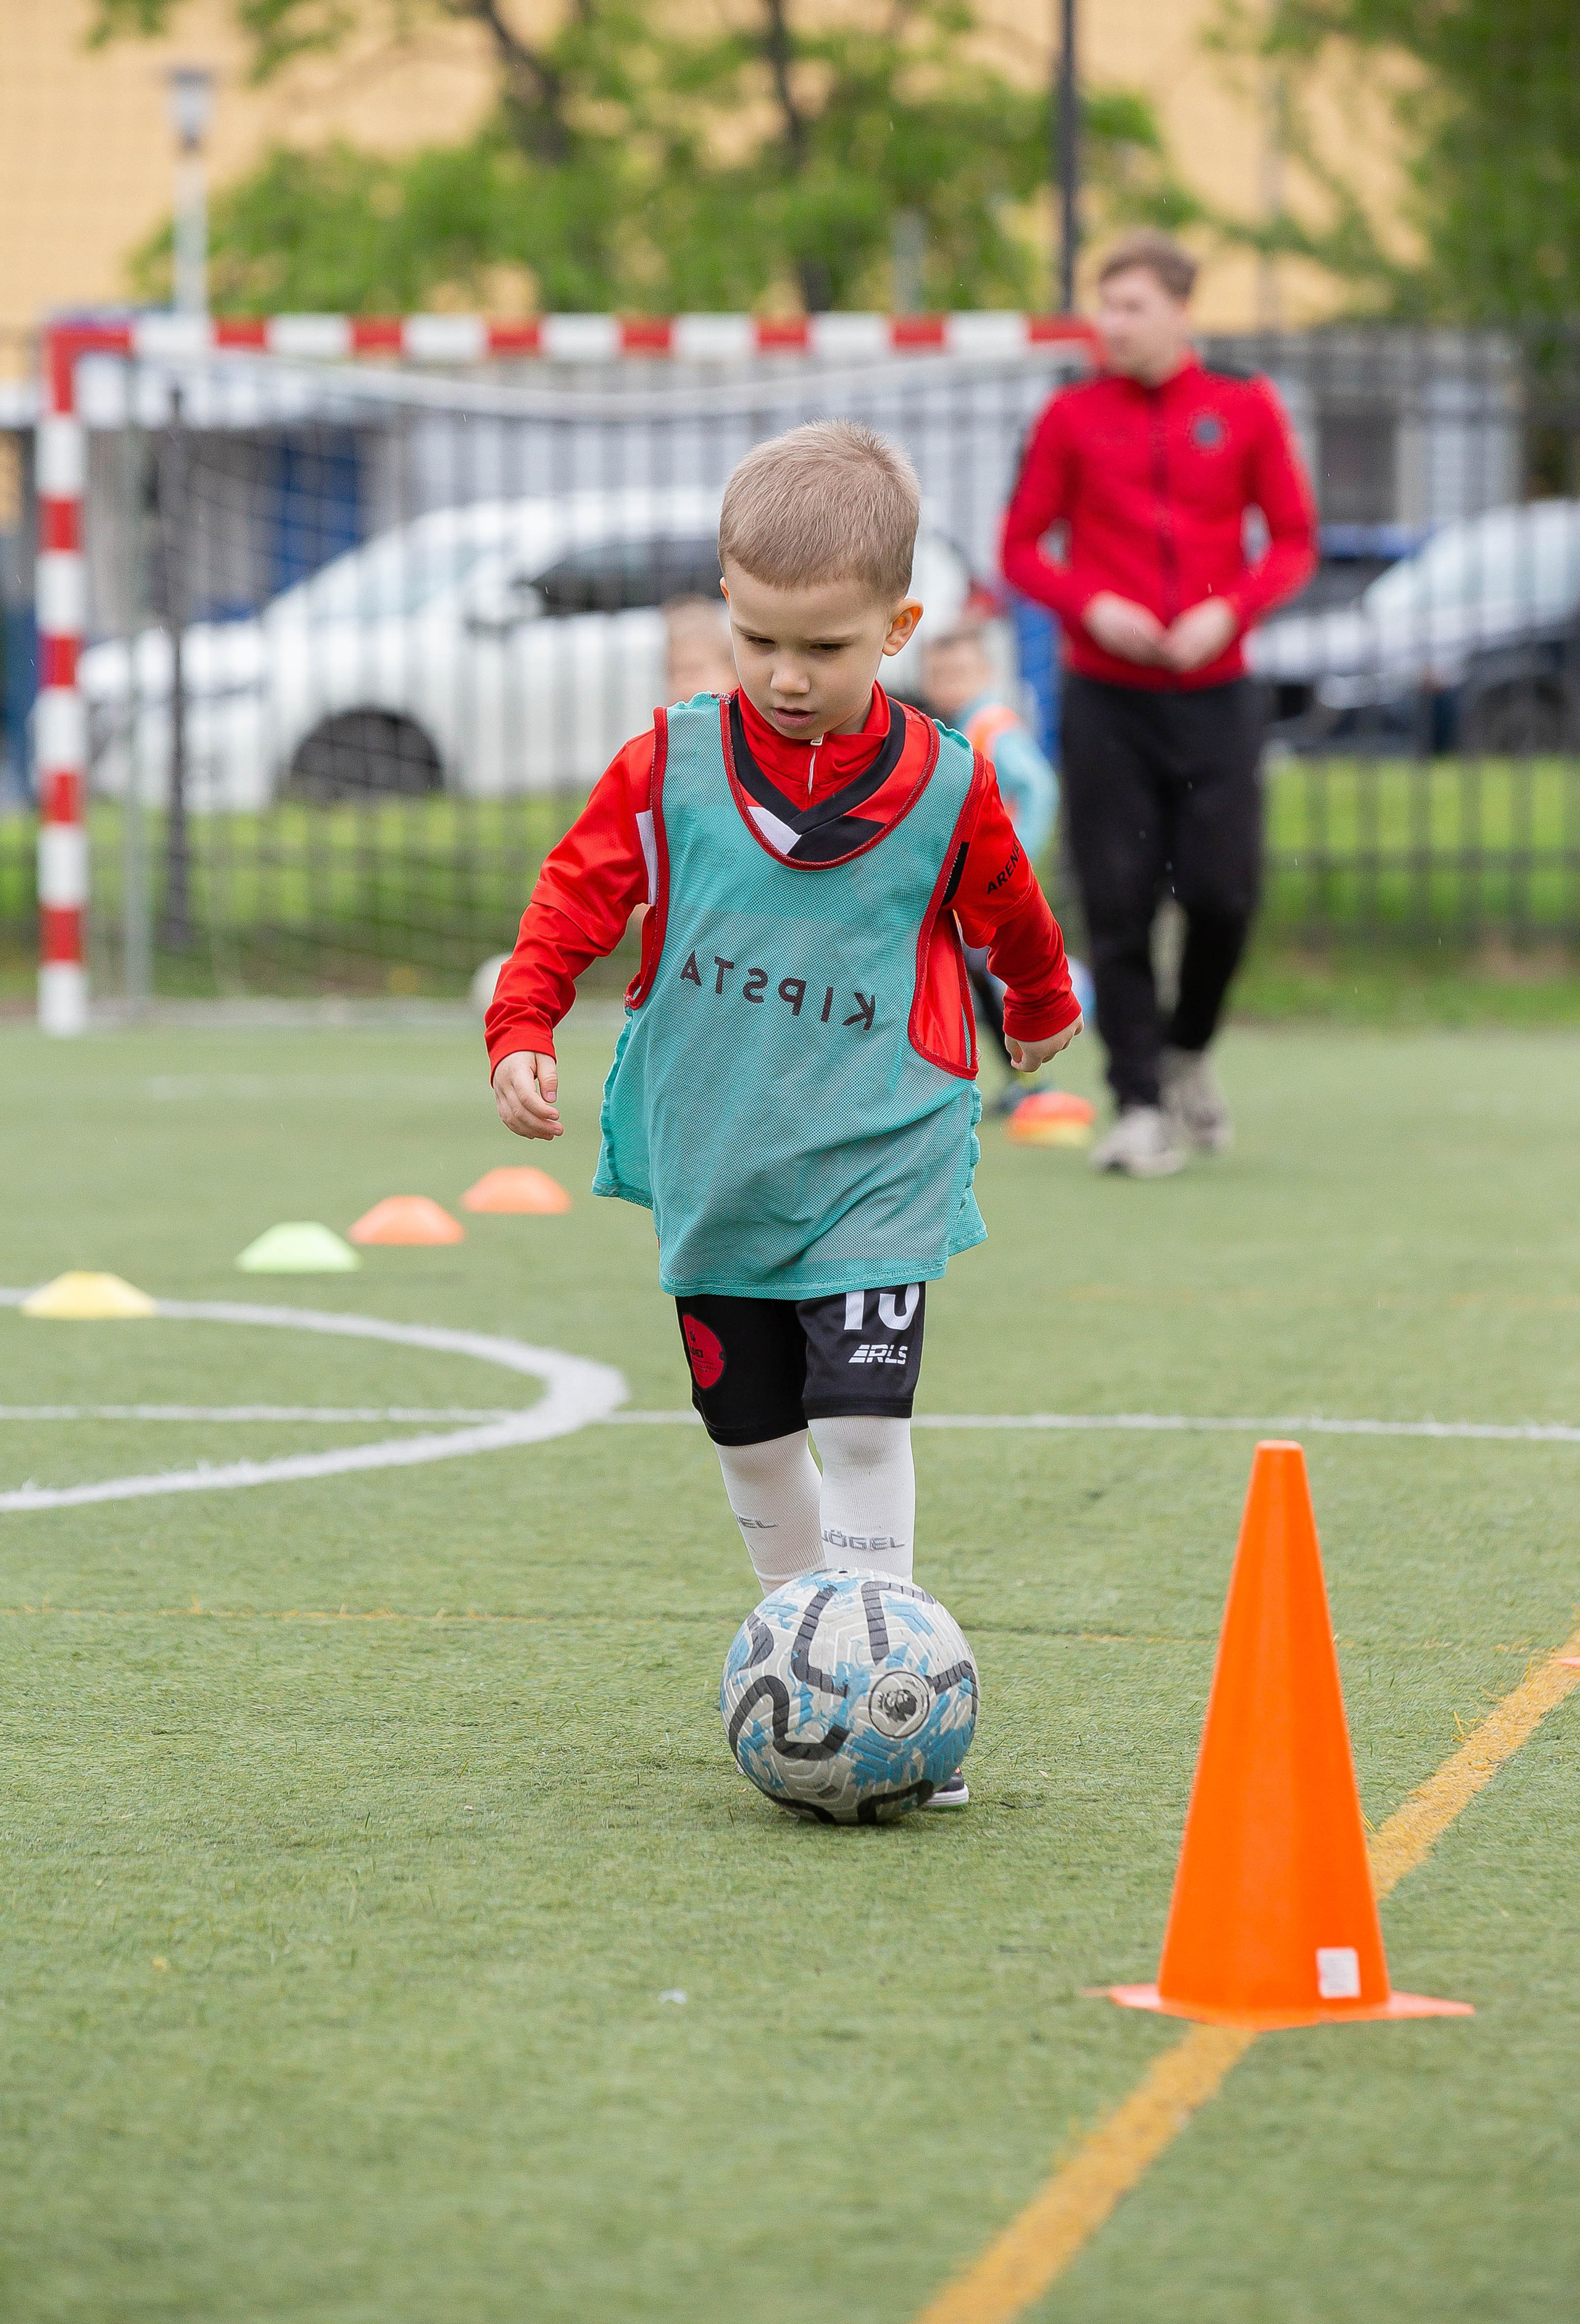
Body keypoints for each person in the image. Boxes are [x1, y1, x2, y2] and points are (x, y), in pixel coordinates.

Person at [486, 420, 1083, 1811]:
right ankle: (798, 1649)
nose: (785, 676)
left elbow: (1008, 909)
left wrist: (1041, 1003)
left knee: (862, 1421)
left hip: (881, 1151)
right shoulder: (668, 768)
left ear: (898, 629)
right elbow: (573, 897)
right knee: (748, 1429)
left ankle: (883, 1683)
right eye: (758, 642)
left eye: (822, 648)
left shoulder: (945, 782)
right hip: (719, 1159)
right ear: (724, 613)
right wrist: (523, 1023)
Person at [1001, 228, 1318, 1177]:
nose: (1113, 324)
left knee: (1225, 896)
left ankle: (1186, 1049)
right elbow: (1021, 547)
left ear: (1182, 310)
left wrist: (1230, 614)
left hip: (1217, 697)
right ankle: (1137, 1103)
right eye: (1106, 305)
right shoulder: (1070, 416)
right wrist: (1091, 603)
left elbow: (1294, 540)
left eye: (1133, 305)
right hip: (1106, 701)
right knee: (1117, 902)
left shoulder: (1244, 406)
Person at [920, 621, 1060, 1110]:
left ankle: (1032, 1083)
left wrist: (1019, 858)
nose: (949, 683)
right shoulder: (961, 728)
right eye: (940, 674)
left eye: (961, 671)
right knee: (977, 972)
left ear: (985, 673)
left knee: (995, 974)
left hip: (997, 882)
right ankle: (1018, 1084)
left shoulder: (993, 725)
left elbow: (1039, 788)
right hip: (978, 883)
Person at [663, 595, 739, 703]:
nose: (683, 687)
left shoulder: (745, 718)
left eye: (693, 673)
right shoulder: (668, 718)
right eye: (673, 674)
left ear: (731, 674)